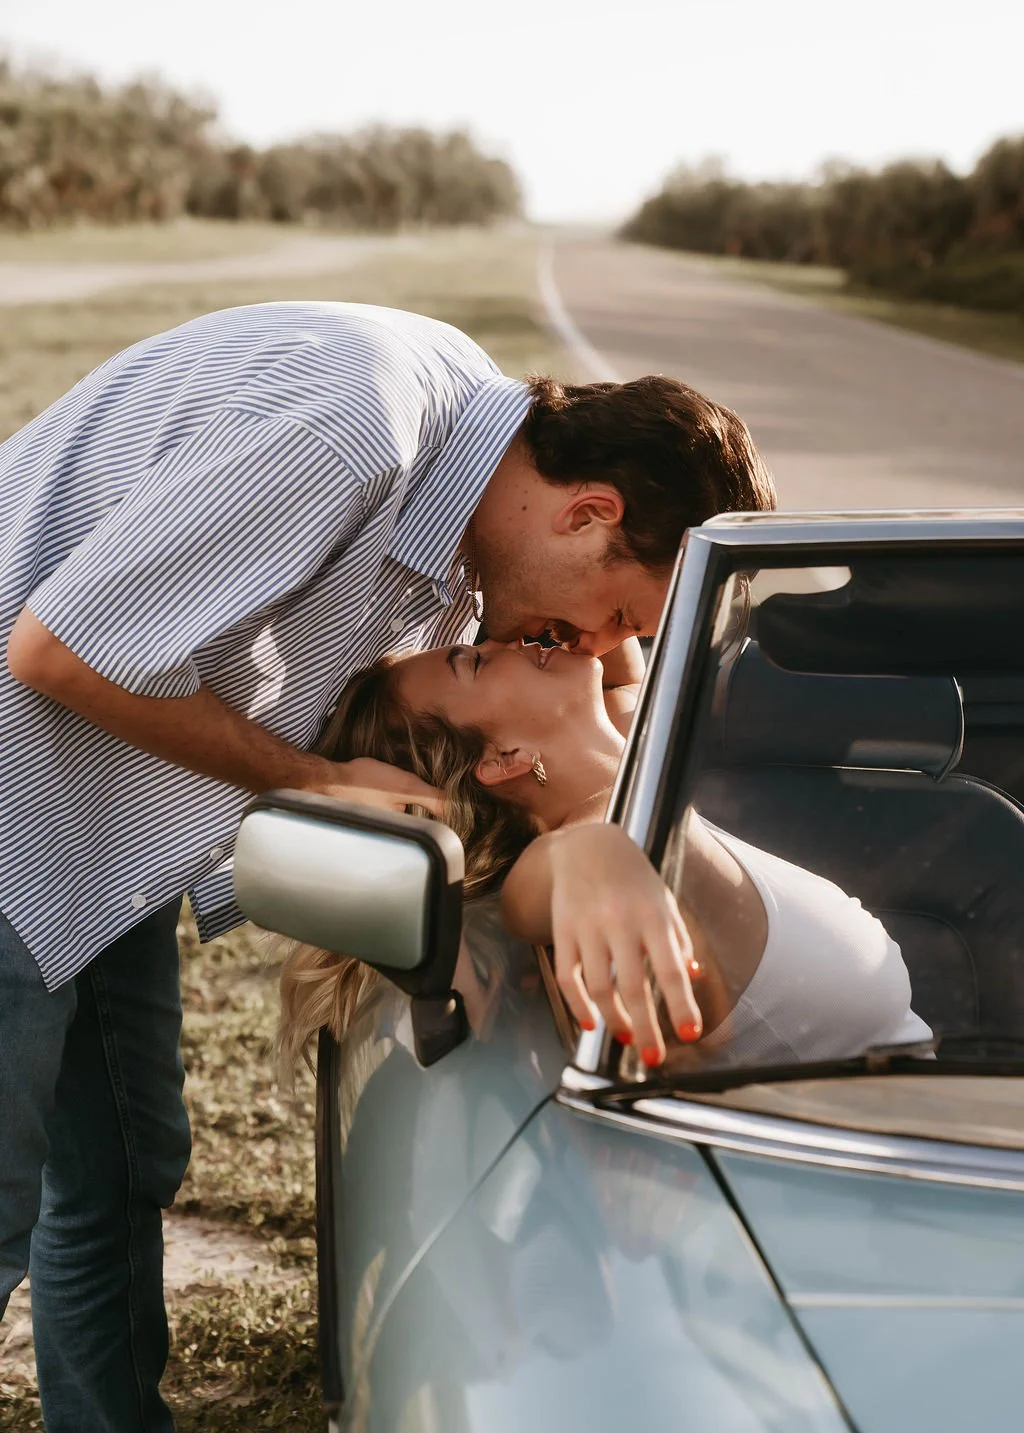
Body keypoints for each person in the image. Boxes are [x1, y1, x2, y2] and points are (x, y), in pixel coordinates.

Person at [0, 298, 774, 1431]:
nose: (599, 650)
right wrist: (312, 784)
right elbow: (57, 649)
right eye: (612, 614)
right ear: (587, 511)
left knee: (122, 1164)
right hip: (17, 805)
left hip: (94, 835)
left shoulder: (464, 463)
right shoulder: (353, 427)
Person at [279, 635, 932, 1071]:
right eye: (476, 660)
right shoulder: (595, 828)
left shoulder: (623, 770)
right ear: (503, 759)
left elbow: (617, 654)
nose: (508, 638)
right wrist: (592, 852)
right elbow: (545, 882)